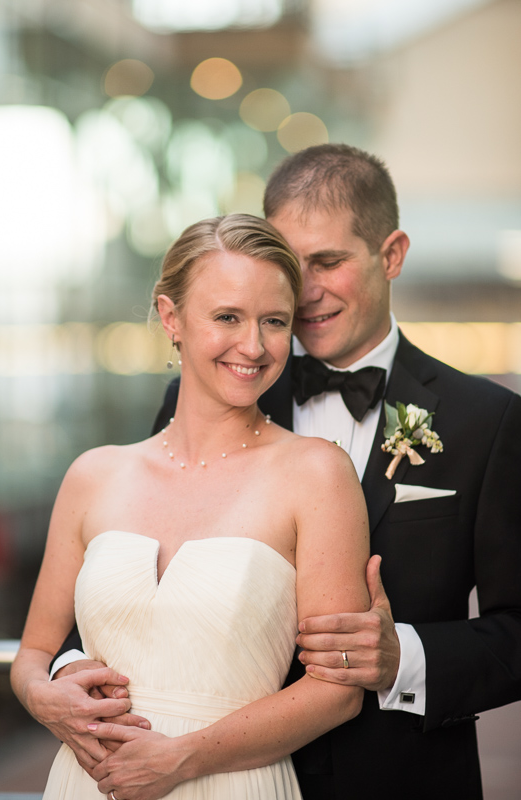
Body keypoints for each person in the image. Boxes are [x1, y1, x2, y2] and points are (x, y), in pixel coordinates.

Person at [28, 144, 521, 799]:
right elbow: (126, 575)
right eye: (290, 262)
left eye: (328, 262)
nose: (305, 289)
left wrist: (406, 658)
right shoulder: (207, 389)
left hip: (396, 778)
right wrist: (67, 678)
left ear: (392, 254)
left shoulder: (484, 420)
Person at [11, 213, 370, 800]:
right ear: (171, 318)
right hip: (88, 783)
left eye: (273, 321)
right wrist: (44, 696)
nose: (252, 346)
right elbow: (33, 654)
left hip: (234, 783)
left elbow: (338, 691)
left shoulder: (317, 473)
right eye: (227, 316)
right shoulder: (93, 475)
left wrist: (182, 759)